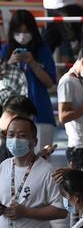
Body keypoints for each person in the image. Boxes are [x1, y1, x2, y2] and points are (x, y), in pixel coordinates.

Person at [0, 11, 57, 150]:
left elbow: (50, 83)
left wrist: (33, 63)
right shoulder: (5, 50)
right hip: (11, 116)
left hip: (40, 114)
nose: (22, 35)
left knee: (40, 161)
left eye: (26, 31)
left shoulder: (43, 50)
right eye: (18, 31)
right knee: (10, 162)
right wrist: (9, 63)